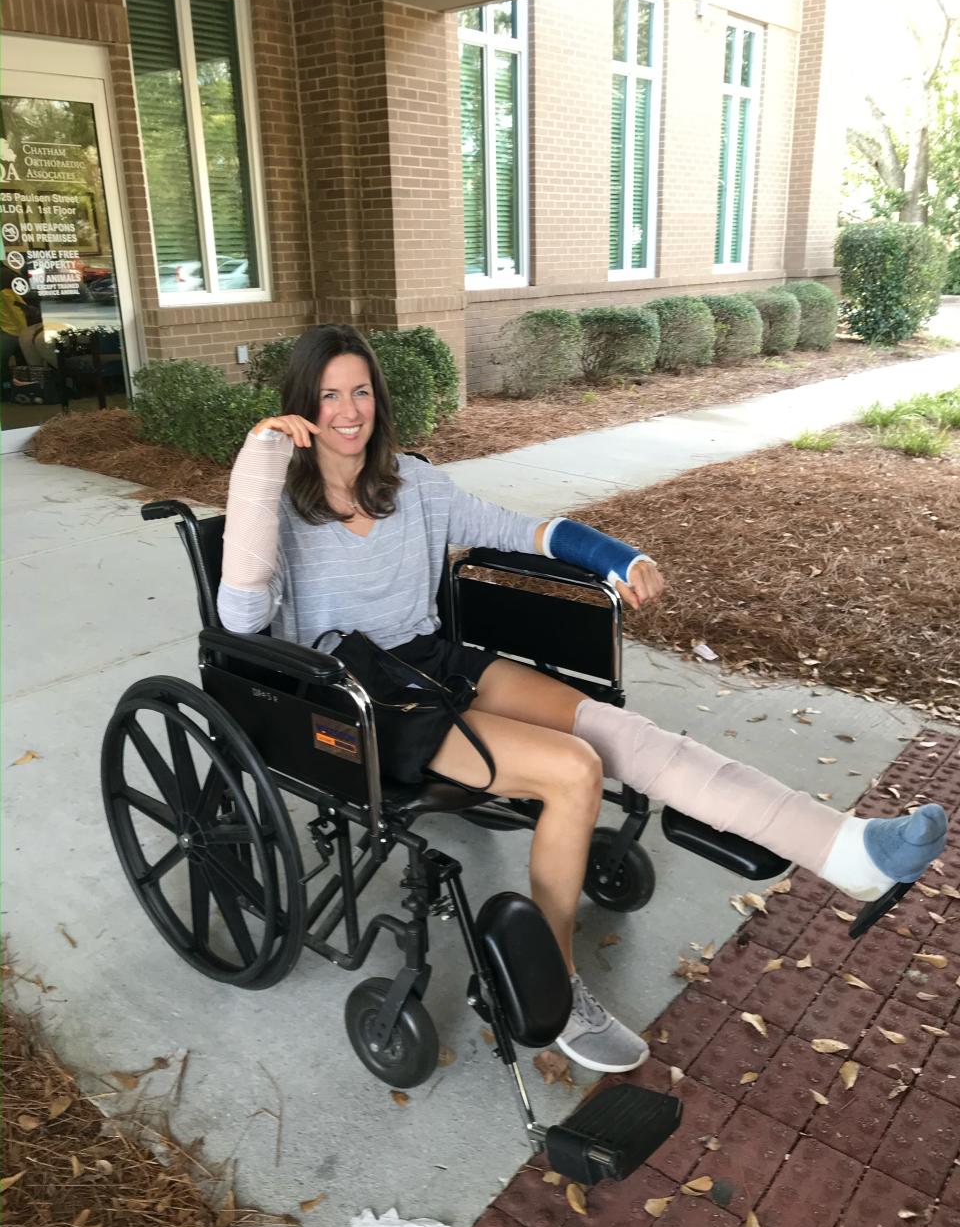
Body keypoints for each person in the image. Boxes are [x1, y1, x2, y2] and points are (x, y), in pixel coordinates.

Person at [218, 325, 949, 1076]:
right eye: (329, 395)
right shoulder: (275, 511)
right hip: (358, 699)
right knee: (571, 770)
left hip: (433, 664)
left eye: (361, 390)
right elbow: (240, 623)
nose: (349, 410)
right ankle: (552, 990)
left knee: (617, 733)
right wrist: (258, 465)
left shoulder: (412, 484)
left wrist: (618, 554)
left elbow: (518, 528)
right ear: (301, 408)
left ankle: (846, 850)